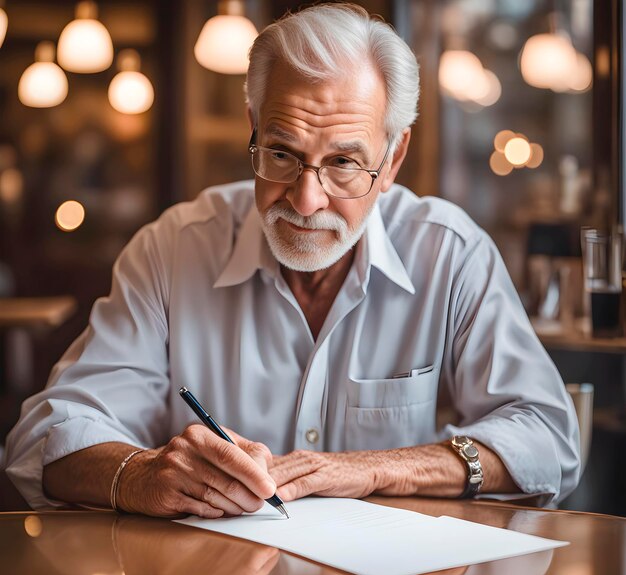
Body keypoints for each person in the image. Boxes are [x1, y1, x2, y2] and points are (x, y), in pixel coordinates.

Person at [5, 3, 580, 516]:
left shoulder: (449, 253)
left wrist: (377, 468)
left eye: (344, 164)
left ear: (394, 157)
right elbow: (46, 437)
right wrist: (137, 476)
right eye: (282, 153)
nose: (306, 200)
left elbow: (548, 439)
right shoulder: (173, 248)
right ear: (254, 129)